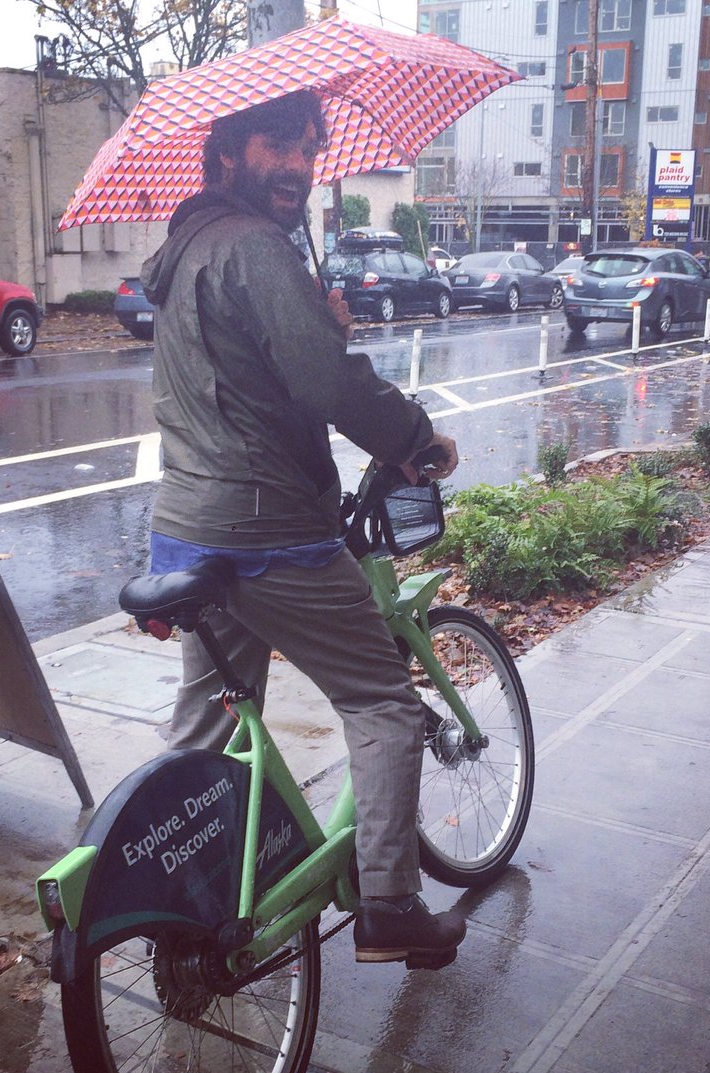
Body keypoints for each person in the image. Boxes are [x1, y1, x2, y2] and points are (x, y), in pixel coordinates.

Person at [139, 90, 466, 967]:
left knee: (206, 725)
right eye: (279, 144)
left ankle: (179, 925)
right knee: (386, 706)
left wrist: (314, 328)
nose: (300, 163)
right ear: (226, 153)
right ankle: (391, 904)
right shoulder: (253, 247)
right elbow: (328, 386)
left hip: (187, 527)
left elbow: (251, 380)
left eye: (310, 146)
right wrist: (414, 440)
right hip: (267, 530)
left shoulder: (186, 252)